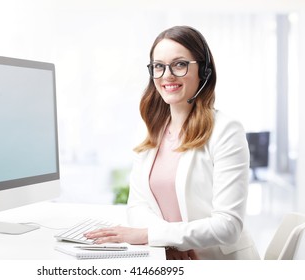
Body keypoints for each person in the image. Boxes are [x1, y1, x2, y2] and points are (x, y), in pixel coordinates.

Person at [85, 25, 260, 260]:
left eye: (179, 64)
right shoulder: (149, 130)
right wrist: (169, 244)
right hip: (169, 260)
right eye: (159, 66)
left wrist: (156, 236)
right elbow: (137, 206)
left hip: (220, 264)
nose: (167, 75)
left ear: (204, 71)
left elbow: (228, 226)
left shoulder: (226, 131)